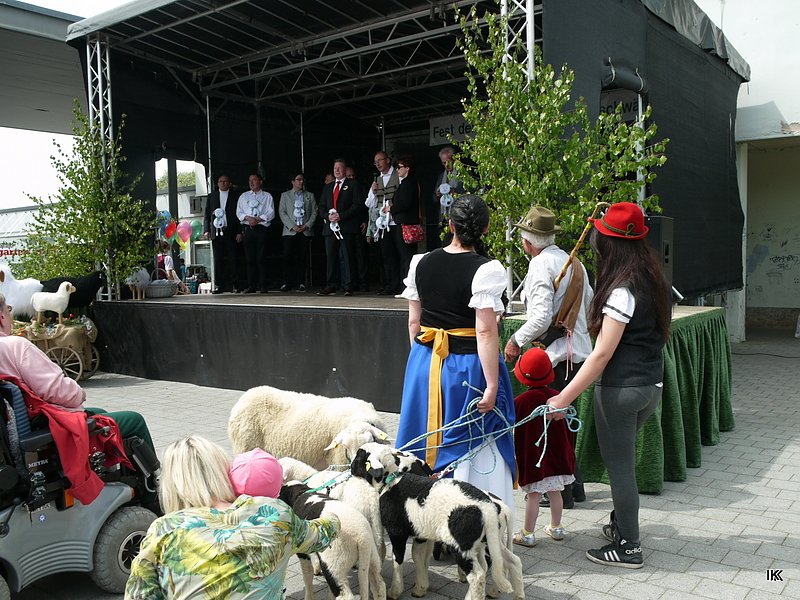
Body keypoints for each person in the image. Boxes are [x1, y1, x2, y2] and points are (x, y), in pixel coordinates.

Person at [546, 201, 671, 569]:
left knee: (620, 469)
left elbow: (601, 355)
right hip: (651, 386)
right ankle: (621, 526)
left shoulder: (621, 290)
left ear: (610, 245)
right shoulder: (654, 279)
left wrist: (563, 397)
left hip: (621, 389)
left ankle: (629, 546)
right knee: (622, 463)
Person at [396, 194, 516, 511]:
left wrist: (422, 361)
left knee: (423, 434)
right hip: (466, 367)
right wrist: (492, 385)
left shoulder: (421, 262)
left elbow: (413, 322)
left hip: (424, 362)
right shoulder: (487, 269)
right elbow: (486, 331)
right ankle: (468, 515)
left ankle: (419, 512)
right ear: (485, 228)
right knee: (470, 438)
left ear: (450, 225)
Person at [125, 435, 340, 600]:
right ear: (225, 472)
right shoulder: (274, 514)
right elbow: (322, 534)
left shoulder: (162, 530)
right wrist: (335, 512)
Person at [0, 292, 158, 506]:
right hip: (39, 433)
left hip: (16, 436)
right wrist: (79, 393)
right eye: (9, 310)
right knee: (133, 420)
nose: (10, 315)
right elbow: (58, 391)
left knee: (99, 413)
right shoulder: (14, 346)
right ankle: (153, 498)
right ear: (2, 316)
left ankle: (120, 485)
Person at [503, 205, 593, 507]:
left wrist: (516, 340)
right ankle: (574, 487)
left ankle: (561, 494)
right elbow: (589, 306)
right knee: (566, 421)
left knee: (552, 425)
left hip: (555, 358)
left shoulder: (541, 265)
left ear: (528, 242)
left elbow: (540, 318)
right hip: (578, 355)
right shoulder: (574, 262)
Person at [511, 347, 575, 548]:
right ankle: (556, 527)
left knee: (534, 496)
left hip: (534, 458)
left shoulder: (520, 402)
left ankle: (527, 533)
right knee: (556, 492)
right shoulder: (559, 397)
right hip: (556, 457)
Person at [318, 158, 362, 296]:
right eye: (335, 168)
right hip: (330, 228)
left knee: (347, 256)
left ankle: (348, 285)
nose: (337, 170)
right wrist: (328, 216)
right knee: (331, 257)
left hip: (346, 227)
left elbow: (357, 205)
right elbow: (321, 207)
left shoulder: (353, 184)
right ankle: (331, 284)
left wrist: (341, 216)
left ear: (345, 169)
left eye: (339, 168)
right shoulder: (328, 187)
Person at [380, 156, 420, 296]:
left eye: (399, 167)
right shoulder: (404, 183)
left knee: (406, 256)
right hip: (402, 222)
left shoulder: (409, 183)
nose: (397, 170)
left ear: (407, 168)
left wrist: (391, 208)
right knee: (404, 256)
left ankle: (407, 287)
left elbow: (405, 203)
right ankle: (404, 286)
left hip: (406, 223)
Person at [365, 150, 400, 294]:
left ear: (388, 160)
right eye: (375, 162)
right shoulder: (376, 180)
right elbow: (369, 203)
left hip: (396, 221)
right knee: (386, 255)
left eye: (380, 160)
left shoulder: (398, 175)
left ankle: (401, 284)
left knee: (399, 254)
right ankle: (389, 285)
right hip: (383, 224)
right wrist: (373, 192)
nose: (378, 164)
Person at [278, 172, 317, 292]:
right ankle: (286, 282)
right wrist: (292, 226)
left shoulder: (310, 195)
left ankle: (301, 282)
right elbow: (282, 212)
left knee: (302, 257)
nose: (301, 182)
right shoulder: (285, 195)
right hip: (290, 231)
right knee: (287, 256)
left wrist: (306, 225)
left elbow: (314, 212)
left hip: (304, 230)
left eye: (302, 179)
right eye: (298, 179)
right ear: (293, 182)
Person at [236, 173, 275, 293]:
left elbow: (271, 213)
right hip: (248, 229)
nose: (251, 182)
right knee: (249, 259)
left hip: (261, 228)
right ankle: (251, 285)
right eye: (250, 180)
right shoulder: (244, 196)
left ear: (260, 181)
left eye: (254, 180)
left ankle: (263, 285)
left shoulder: (267, 196)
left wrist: (258, 219)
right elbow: (239, 212)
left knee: (261, 258)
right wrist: (248, 218)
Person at [204, 174, 242, 294]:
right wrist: (206, 230)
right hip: (216, 232)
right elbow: (207, 215)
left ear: (229, 183)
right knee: (218, 260)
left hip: (230, 231)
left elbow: (239, 215)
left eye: (225, 181)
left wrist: (239, 231)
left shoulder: (235, 196)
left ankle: (235, 284)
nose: (222, 183)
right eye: (220, 181)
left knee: (233, 258)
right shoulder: (212, 196)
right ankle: (219, 285)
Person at [432, 145, 465, 229]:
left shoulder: (463, 175)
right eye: (444, 163)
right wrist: (437, 195)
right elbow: (434, 199)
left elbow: (471, 195)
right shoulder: (441, 177)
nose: (446, 165)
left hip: (459, 217)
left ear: (454, 160)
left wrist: (454, 192)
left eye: (448, 162)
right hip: (444, 219)